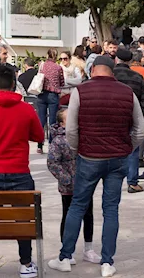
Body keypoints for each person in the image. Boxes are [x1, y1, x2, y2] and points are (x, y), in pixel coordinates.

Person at [48, 56, 144, 276]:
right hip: (117, 158)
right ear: (113, 72)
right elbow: (141, 130)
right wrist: (125, 147)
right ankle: (107, 263)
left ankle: (65, 257)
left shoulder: (80, 92)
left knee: (77, 205)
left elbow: (71, 129)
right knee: (111, 210)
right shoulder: (127, 93)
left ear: (92, 70)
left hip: (89, 157)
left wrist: (77, 149)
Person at [0, 64, 45, 277]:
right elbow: (39, 136)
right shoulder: (25, 109)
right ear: (14, 84)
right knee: (23, 218)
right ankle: (25, 263)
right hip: (20, 170)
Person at [47, 94, 96, 265]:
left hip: (85, 183)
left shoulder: (83, 135)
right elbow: (53, 162)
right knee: (68, 215)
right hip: (68, 186)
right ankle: (67, 250)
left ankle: (89, 249)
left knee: (88, 215)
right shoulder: (58, 141)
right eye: (69, 119)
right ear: (61, 123)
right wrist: (66, 179)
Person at [112, 47, 144, 193]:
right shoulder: (137, 77)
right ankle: (132, 182)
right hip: (131, 117)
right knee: (132, 150)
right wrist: (141, 117)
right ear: (130, 61)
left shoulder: (111, 76)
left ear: (117, 59)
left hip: (112, 119)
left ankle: (114, 180)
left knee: (113, 150)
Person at [30, 49, 65, 142]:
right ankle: (51, 142)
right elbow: (62, 82)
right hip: (53, 95)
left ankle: (40, 143)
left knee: (41, 119)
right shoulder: (58, 67)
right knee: (53, 120)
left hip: (42, 94)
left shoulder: (42, 65)